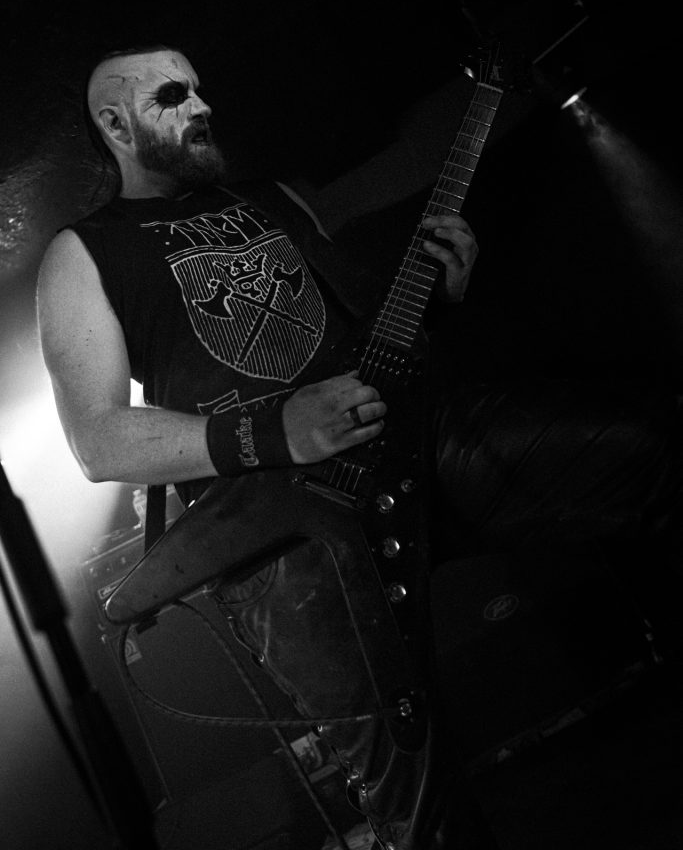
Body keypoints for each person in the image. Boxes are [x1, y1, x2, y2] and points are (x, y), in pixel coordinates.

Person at [37, 44, 682, 850]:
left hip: (408, 445)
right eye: (173, 95)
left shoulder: (265, 198)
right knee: (415, 801)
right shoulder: (84, 252)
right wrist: (276, 429)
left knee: (649, 450)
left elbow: (355, 341)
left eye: (201, 89)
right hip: (287, 534)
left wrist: (437, 298)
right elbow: (99, 442)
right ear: (114, 123)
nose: (202, 107)